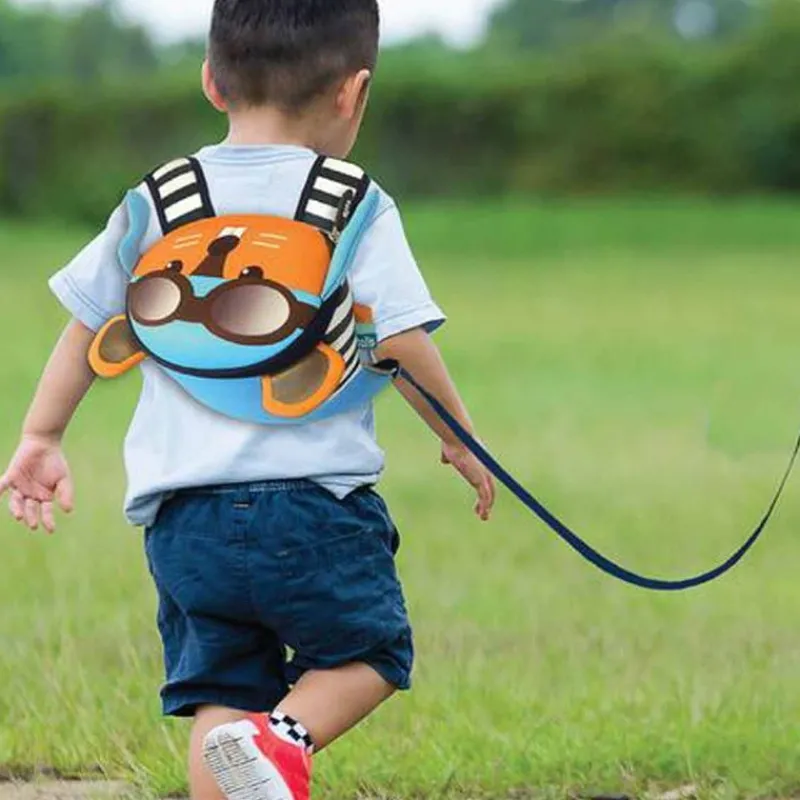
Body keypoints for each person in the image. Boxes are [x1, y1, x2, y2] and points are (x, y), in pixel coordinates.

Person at [0, 2, 496, 798]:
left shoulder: (156, 200)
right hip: (313, 510)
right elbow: (400, 340)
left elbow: (88, 323)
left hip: (184, 522)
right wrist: (459, 438)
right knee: (370, 654)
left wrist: (41, 435)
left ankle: (255, 747)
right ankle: (284, 738)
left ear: (211, 81)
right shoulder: (355, 204)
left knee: (222, 696)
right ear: (353, 92)